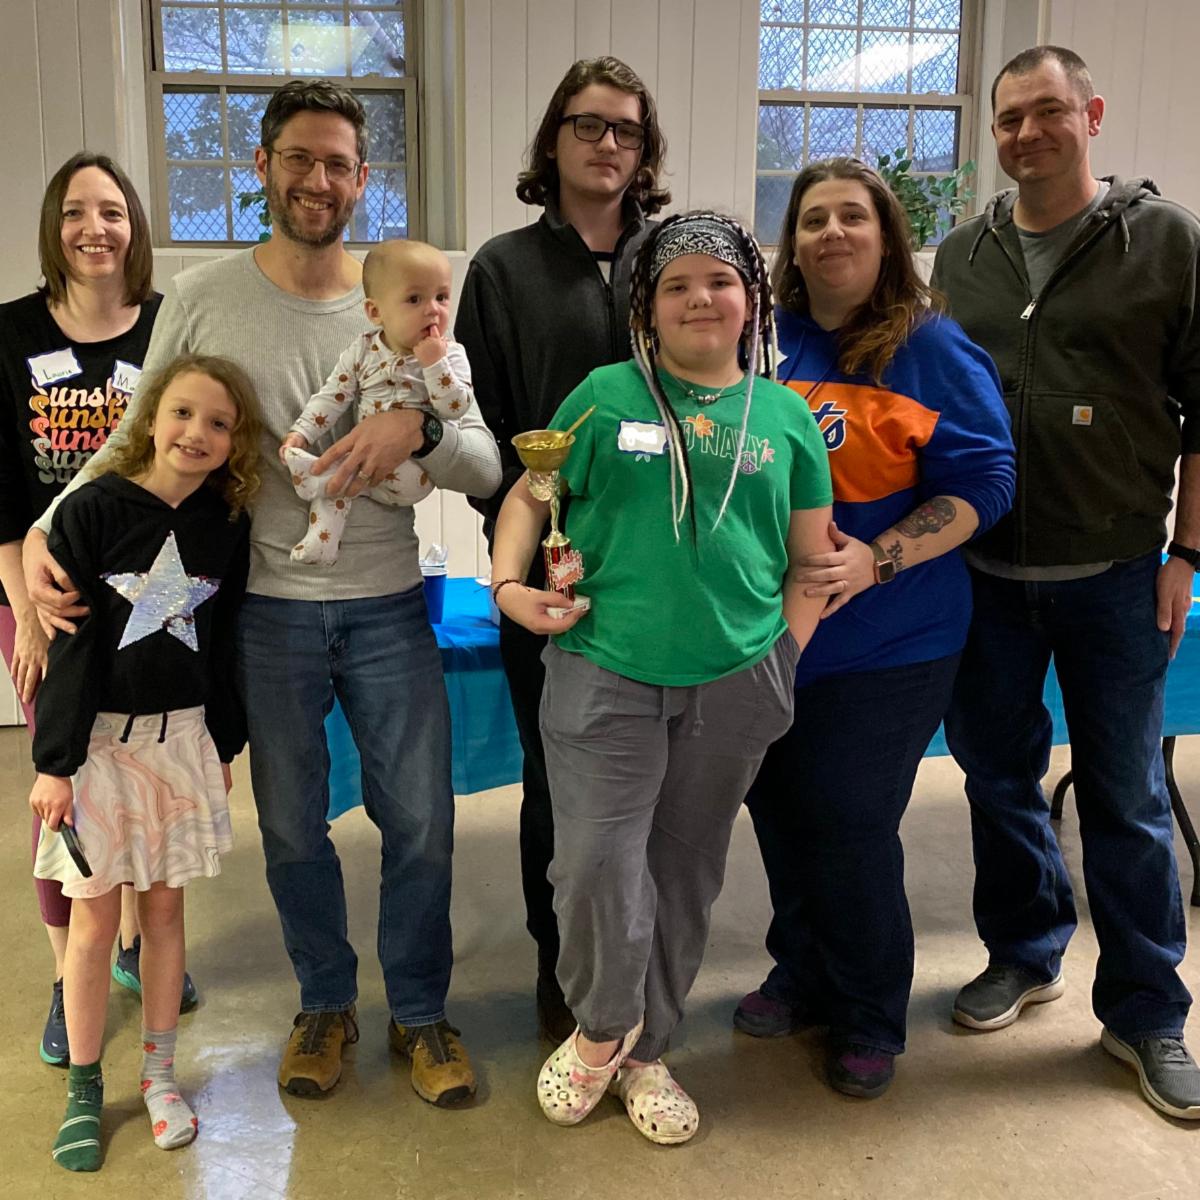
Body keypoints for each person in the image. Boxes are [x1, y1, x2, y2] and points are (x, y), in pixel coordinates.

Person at [25, 80, 502, 1107]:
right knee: (289, 830)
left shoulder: (407, 302)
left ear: (362, 179)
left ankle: (421, 1013)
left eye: (338, 163)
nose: (317, 180)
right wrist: (38, 531)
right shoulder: (203, 295)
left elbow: (486, 461)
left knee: (421, 822)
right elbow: (135, 436)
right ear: (263, 167)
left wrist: (416, 429)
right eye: (298, 158)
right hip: (264, 614)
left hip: (387, 604)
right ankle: (324, 1004)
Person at [491, 211, 834, 1144]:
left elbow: (811, 561)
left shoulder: (787, 417)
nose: (700, 298)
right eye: (676, 285)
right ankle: (604, 1030)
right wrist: (509, 586)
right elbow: (530, 494)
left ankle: (648, 1054)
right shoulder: (604, 397)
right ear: (646, 309)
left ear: (751, 300)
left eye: (720, 282)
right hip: (605, 670)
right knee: (595, 864)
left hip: (737, 683)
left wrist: (782, 657)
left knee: (683, 873)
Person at [932, 45, 1200, 1119]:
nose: (1027, 132)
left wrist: (1187, 554)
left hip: (1117, 572)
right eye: (1009, 118)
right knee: (996, 779)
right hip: (986, 576)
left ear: (1089, 115)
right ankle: (1026, 951)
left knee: (1126, 795)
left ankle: (1147, 1012)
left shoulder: (1167, 241)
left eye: (1049, 111)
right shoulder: (964, 255)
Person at [731, 157, 1015, 1098]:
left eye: (853, 216)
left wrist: (879, 557)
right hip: (773, 641)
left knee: (848, 820)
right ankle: (803, 969)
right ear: (793, 243)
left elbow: (987, 483)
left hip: (893, 640)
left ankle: (867, 1013)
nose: (833, 233)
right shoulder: (766, 345)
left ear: (887, 237)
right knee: (780, 811)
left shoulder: (930, 348)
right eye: (813, 219)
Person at [455, 55, 669, 1042]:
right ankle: (566, 969)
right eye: (588, 124)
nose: (608, 144)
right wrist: (527, 550)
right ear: (554, 139)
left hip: (668, 569)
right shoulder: (503, 269)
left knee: (661, 780)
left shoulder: (674, 255)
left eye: (627, 129)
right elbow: (484, 429)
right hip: (553, 573)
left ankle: (648, 965)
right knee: (558, 778)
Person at [29, 353, 258, 1171]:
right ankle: (84, 1088)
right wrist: (55, 763)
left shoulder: (226, 523)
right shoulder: (91, 509)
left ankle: (160, 1077)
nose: (197, 433)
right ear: (151, 417)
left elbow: (225, 639)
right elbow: (70, 644)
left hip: (182, 741)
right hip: (96, 751)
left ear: (235, 442)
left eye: (219, 423)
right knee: (94, 924)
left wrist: (223, 741)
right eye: (183, 413)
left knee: (163, 917)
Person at [0, 151, 204, 1069]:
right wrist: (28, 613)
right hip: (45, 598)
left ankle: (133, 947)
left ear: (135, 227)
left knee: (147, 773)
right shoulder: (9, 334)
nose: (96, 229)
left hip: (154, 594)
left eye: (113, 212)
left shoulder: (165, 327)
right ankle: (65, 970)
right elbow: (3, 493)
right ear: (54, 226)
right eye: (77, 211)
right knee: (70, 784)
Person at [281, 239, 473, 565]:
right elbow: (333, 396)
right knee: (340, 484)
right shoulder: (363, 350)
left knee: (340, 476)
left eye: (441, 297)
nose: (433, 310)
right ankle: (322, 543)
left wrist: (434, 364)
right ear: (375, 312)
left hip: (414, 472)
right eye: (415, 299)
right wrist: (303, 432)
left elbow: (455, 407)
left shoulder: (450, 354)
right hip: (363, 464)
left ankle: (315, 477)